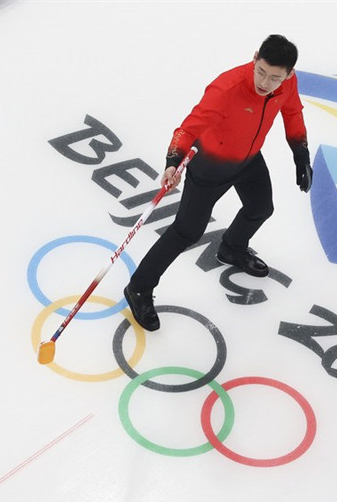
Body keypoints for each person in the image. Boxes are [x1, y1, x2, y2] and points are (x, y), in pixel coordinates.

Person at [124, 34, 313, 331]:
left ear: (288, 74)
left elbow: (292, 112)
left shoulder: (287, 83)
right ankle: (139, 288)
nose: (265, 83)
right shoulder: (227, 87)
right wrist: (173, 161)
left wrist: (300, 151)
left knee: (261, 208)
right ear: (254, 58)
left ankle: (232, 248)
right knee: (187, 232)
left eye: (275, 78)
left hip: (249, 159)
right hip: (210, 166)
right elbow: (188, 128)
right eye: (260, 71)